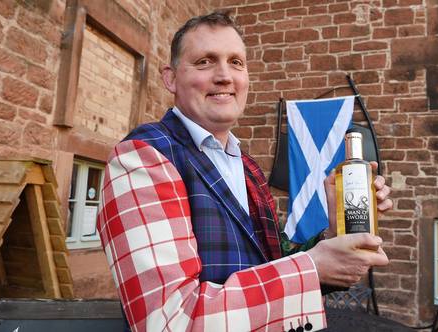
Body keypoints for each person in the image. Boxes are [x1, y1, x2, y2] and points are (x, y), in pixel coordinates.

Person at [97, 11, 392, 332]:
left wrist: (335, 233)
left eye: (236, 62)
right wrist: (313, 268)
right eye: (205, 61)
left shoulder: (246, 165)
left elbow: (271, 264)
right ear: (170, 77)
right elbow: (168, 321)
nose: (225, 76)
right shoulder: (142, 157)